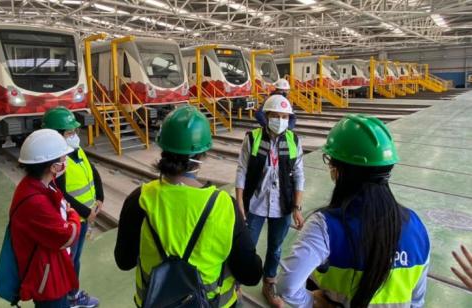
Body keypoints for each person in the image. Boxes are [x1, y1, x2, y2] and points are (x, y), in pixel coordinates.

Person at [114, 105, 263, 307]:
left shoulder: (139, 200)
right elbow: (251, 274)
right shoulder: (224, 205)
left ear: (163, 150)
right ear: (201, 156)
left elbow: (124, 261)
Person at [278, 114, 431, 307]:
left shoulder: (324, 226)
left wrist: (312, 302)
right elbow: (416, 301)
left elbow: (286, 286)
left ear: (340, 170)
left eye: (331, 161)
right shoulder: (417, 227)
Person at [235, 94, 305, 307]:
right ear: (266, 116)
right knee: (247, 245)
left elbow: (299, 174)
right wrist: (239, 204)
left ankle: (269, 282)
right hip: (255, 204)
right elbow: (242, 171)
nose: (280, 120)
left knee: (275, 247)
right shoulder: (252, 138)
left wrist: (297, 207)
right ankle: (235, 283)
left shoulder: (294, 141)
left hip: (282, 205)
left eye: (285, 116)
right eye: (276, 115)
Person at [10, 129, 81, 308]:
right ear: (53, 167)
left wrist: (66, 211)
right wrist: (73, 215)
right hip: (47, 281)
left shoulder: (39, 185)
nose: (65, 163)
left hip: (51, 269)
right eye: (63, 160)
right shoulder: (35, 201)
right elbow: (67, 236)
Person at [42, 107, 102, 308]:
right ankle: (71, 298)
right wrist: (87, 212)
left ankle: (73, 294)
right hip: (71, 221)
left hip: (82, 219)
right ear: (56, 136)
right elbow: (63, 195)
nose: (75, 136)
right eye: (70, 133)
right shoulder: (58, 163)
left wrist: (99, 197)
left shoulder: (76, 151)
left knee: (75, 260)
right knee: (69, 261)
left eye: (75, 132)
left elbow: (93, 172)